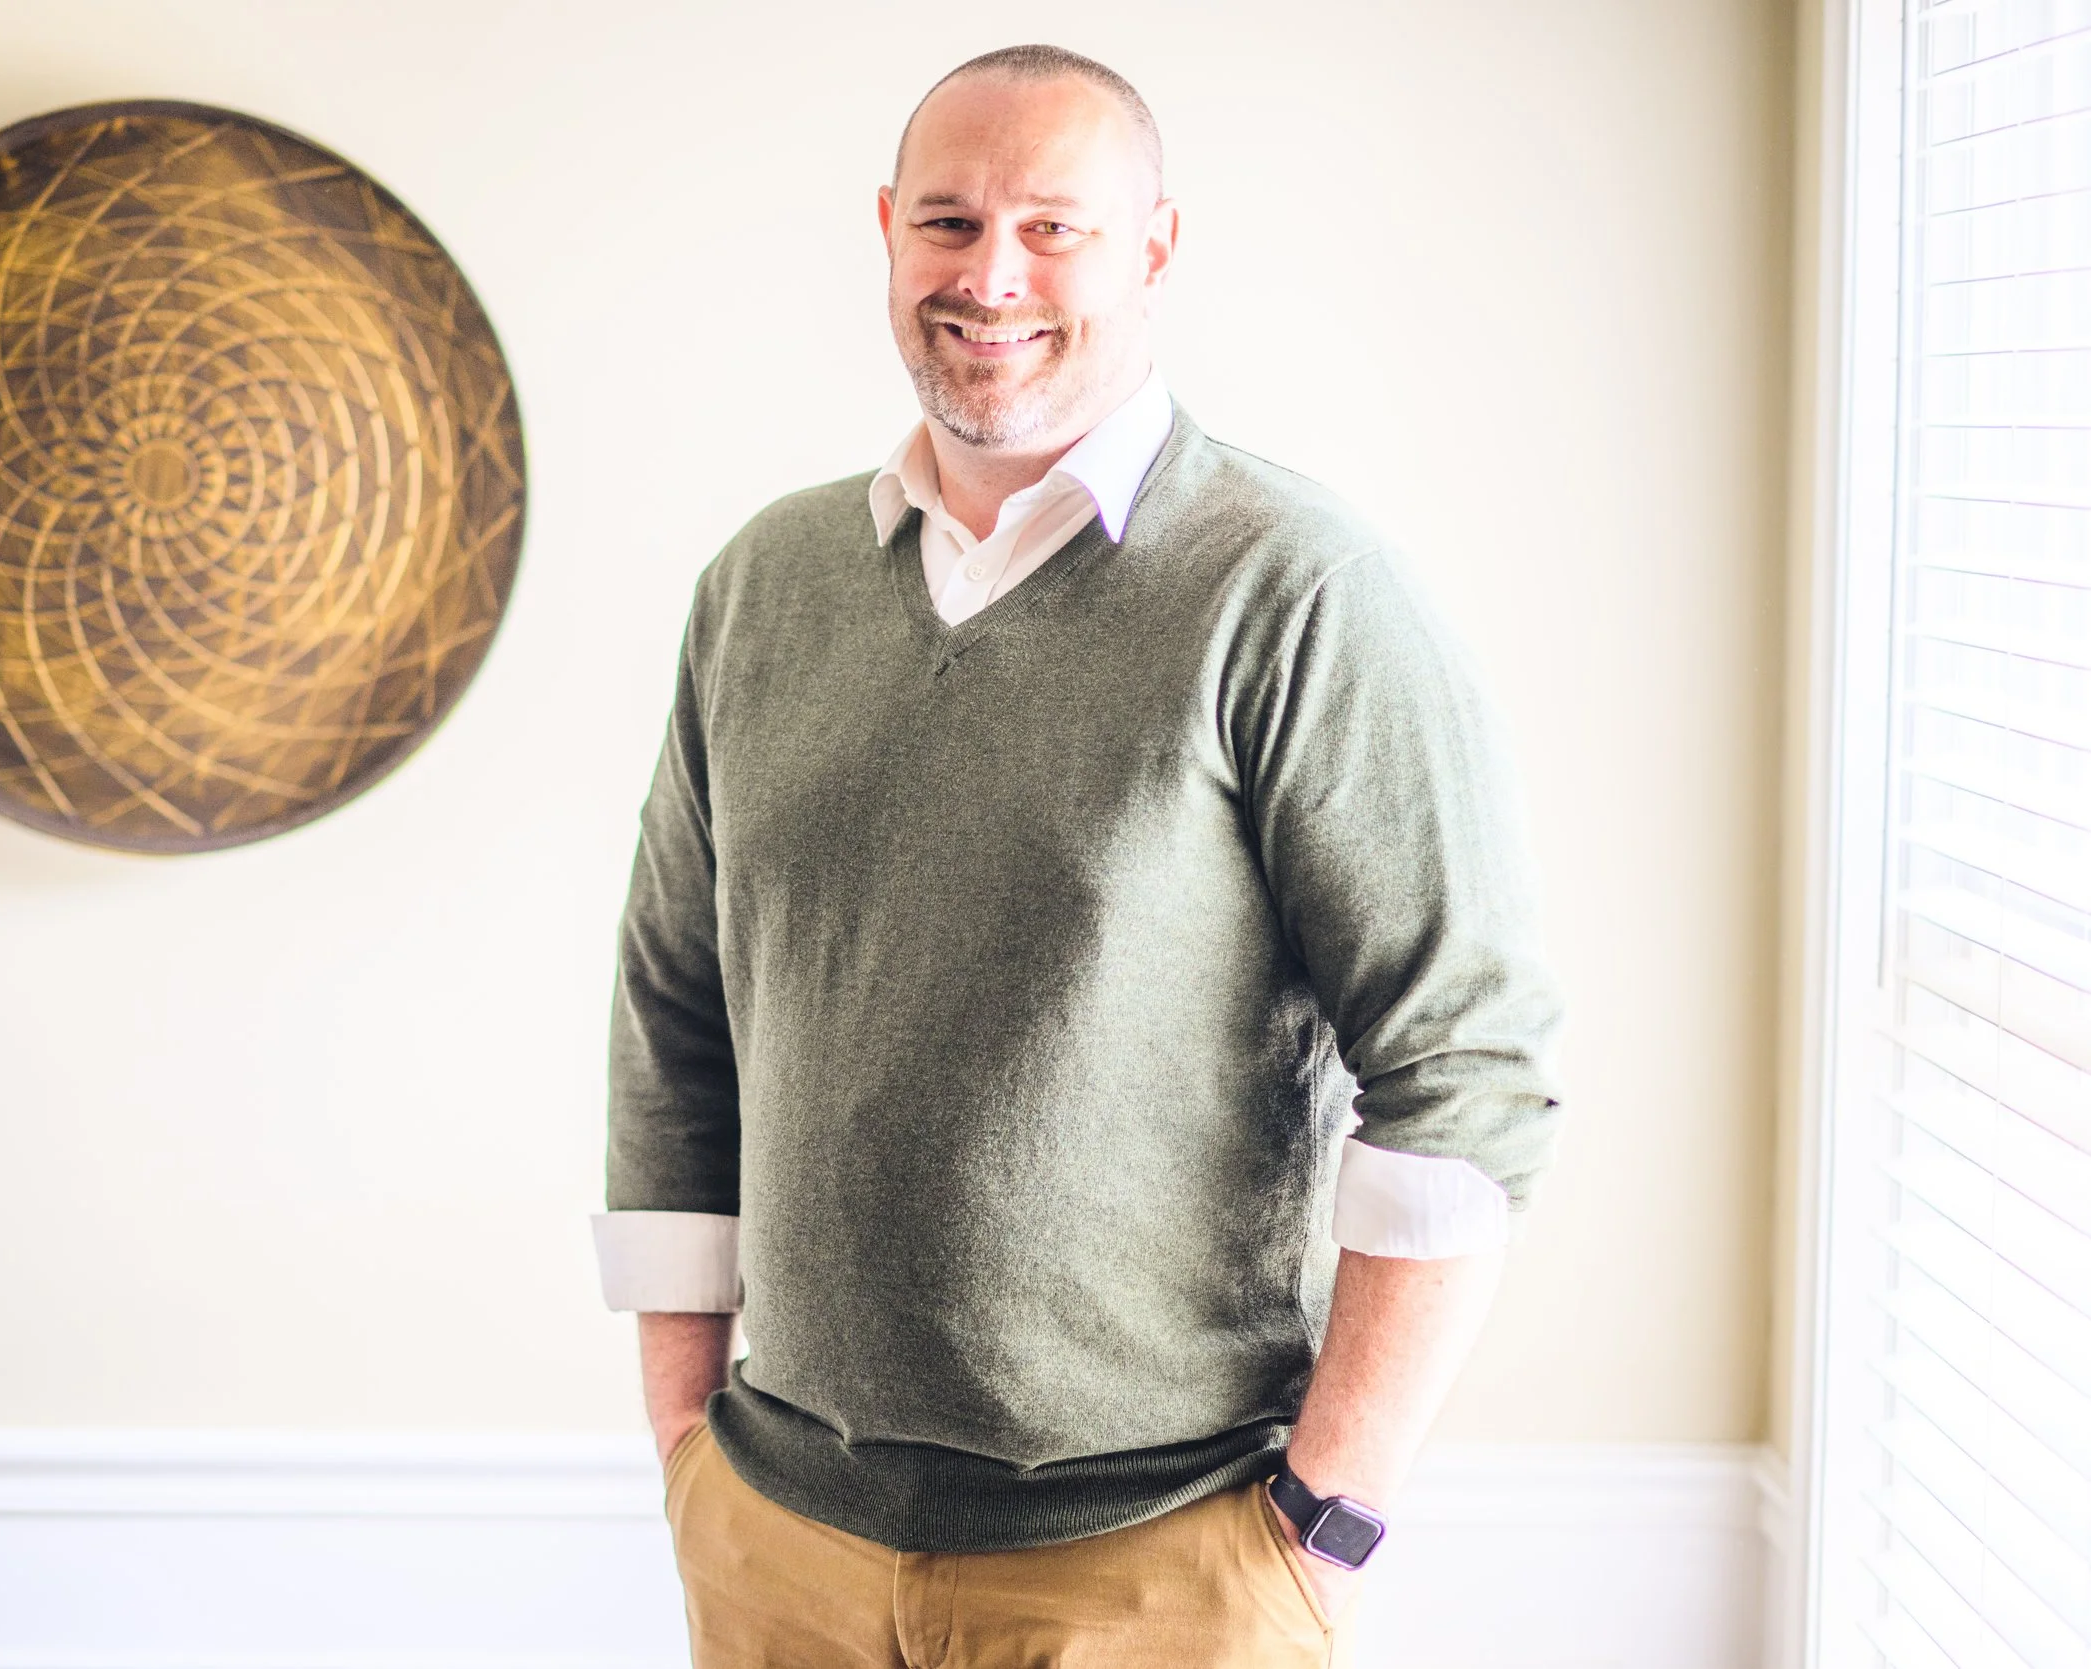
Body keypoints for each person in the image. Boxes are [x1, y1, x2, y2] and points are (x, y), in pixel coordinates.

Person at [591, 42, 1564, 1669]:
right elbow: (673, 1014)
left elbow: (1468, 1067)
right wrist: (688, 1444)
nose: (992, 276)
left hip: (1159, 1562)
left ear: (1156, 250)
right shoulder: (761, 587)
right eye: (952, 223)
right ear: (889, 232)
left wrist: (1326, 1526)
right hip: (777, 1543)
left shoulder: (1295, 591)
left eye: (1056, 228)